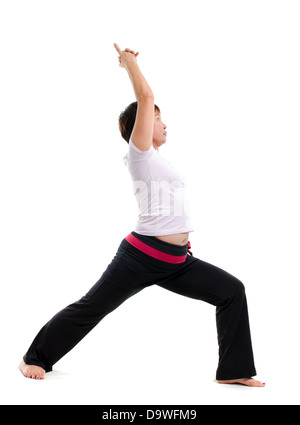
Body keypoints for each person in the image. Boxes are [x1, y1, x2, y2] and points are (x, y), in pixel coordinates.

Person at [19, 43, 264, 387]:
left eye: (161, 117)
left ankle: (234, 371)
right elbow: (146, 98)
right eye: (158, 117)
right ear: (140, 127)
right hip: (139, 258)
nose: (164, 123)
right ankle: (35, 357)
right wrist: (130, 65)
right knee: (92, 307)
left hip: (176, 261)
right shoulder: (140, 155)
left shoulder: (160, 162)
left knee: (231, 291)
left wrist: (182, 246)